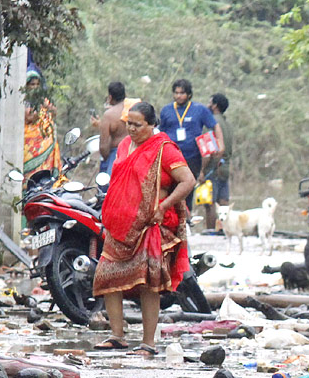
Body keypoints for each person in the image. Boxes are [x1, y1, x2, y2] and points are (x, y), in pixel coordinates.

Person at [91, 101, 196, 356]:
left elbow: (188, 181)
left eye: (138, 125)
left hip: (150, 225)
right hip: (121, 224)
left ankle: (148, 343)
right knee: (106, 277)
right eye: (129, 124)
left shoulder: (164, 149)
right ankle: (117, 335)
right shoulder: (125, 144)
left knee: (149, 283)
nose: (132, 129)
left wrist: (165, 205)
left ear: (151, 125)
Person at [157, 79, 216, 209]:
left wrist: (218, 144)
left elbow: (214, 126)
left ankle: (186, 218)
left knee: (188, 187)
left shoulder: (200, 109)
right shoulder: (167, 110)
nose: (178, 96)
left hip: (192, 156)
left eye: (182, 93)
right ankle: (171, 217)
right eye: (176, 93)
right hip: (171, 156)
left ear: (189, 94)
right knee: (170, 187)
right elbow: (161, 132)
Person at [23, 68, 61, 178]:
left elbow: (54, 113)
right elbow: (29, 117)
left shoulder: (43, 99)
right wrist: (41, 108)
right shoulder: (24, 100)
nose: (35, 87)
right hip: (31, 144)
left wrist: (49, 108)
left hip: (46, 142)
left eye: (37, 84)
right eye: (32, 84)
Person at [90, 80, 129, 175]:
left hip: (116, 154)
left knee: (107, 186)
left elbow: (103, 146)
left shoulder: (109, 115)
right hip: (134, 152)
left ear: (110, 97)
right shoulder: (133, 109)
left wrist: (107, 159)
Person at [206, 93, 232, 231]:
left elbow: (208, 149)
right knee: (223, 201)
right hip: (226, 166)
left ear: (215, 105)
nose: (207, 105)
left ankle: (211, 231)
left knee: (210, 202)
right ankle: (225, 229)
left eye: (209, 102)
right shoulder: (227, 123)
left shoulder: (212, 123)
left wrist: (203, 170)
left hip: (213, 166)